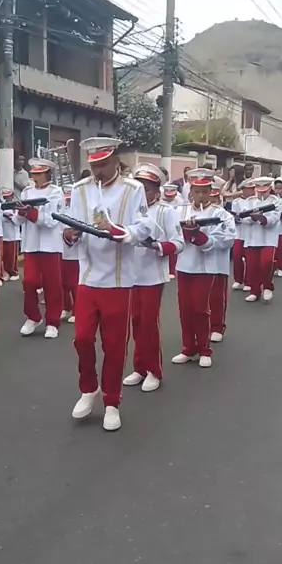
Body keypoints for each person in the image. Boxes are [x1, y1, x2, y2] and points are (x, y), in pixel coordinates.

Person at [63, 136, 149, 431]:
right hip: (88, 277)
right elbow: (71, 226)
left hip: (118, 279)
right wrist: (69, 235)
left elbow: (144, 227)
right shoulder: (80, 189)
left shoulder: (133, 189)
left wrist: (121, 231)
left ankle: (112, 401)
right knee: (82, 339)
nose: (98, 171)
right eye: (94, 165)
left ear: (115, 161)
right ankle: (89, 388)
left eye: (103, 164)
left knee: (114, 346)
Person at [123, 164, 183, 393]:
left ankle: (153, 370)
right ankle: (139, 367)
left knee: (149, 323)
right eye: (138, 188)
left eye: (146, 189)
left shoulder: (165, 211)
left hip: (152, 275)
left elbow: (178, 242)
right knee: (135, 322)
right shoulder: (128, 210)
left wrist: (157, 246)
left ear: (157, 191)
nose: (141, 193)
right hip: (129, 274)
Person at [173, 170, 236, 367]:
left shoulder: (221, 214)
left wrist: (198, 236)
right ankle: (188, 348)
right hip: (184, 265)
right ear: (191, 192)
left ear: (211, 192)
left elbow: (226, 240)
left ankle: (204, 349)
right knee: (185, 309)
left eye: (205, 192)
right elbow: (170, 234)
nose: (201, 196)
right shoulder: (179, 211)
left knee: (201, 309)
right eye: (197, 192)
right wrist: (184, 234)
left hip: (206, 267)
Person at [16, 158, 64, 338]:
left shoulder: (55, 192)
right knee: (29, 282)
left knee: (52, 285)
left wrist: (31, 213)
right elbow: (17, 220)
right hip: (31, 244)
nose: (36, 177)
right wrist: (20, 213)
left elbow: (52, 221)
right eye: (34, 173)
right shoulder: (26, 192)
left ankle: (53, 321)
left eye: (40, 174)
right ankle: (33, 317)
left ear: (47, 174)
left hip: (51, 245)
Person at [240, 177, 281, 303]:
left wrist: (262, 218)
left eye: (265, 190)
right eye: (259, 190)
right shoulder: (249, 201)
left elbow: (274, 219)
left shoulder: (276, 201)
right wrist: (251, 218)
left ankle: (267, 286)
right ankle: (255, 291)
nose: (262, 193)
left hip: (269, 238)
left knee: (267, 263)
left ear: (269, 189)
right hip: (252, 238)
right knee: (252, 266)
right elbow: (242, 218)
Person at [208, 183, 236, 342]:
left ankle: (217, 326)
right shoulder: (189, 212)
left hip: (217, 263)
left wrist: (206, 241)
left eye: (214, 198)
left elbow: (228, 240)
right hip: (193, 264)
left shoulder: (225, 216)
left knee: (217, 297)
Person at [60, 185, 79, 323]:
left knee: (74, 284)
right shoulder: (62, 211)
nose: (68, 202)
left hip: (75, 254)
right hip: (61, 252)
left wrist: (71, 237)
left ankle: (77, 310)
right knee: (63, 283)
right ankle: (66, 307)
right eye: (67, 199)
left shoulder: (79, 212)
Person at [231, 182, 254, 291]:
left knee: (250, 259)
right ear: (243, 189)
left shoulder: (255, 201)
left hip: (251, 234)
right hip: (239, 233)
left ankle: (249, 282)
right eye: (249, 189)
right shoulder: (236, 202)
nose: (251, 191)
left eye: (252, 188)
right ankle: (238, 279)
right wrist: (236, 219)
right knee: (237, 256)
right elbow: (234, 215)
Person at [0, 188, 20, 281]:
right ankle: (5, 272)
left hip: (13, 236)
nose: (6, 198)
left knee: (11, 257)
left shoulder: (16, 206)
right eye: (5, 197)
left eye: (8, 196)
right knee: (3, 256)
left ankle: (14, 272)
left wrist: (9, 216)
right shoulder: (1, 205)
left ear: (12, 196)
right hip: (3, 235)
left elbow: (17, 220)